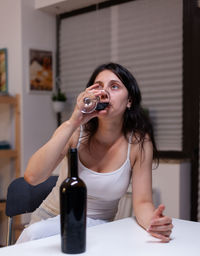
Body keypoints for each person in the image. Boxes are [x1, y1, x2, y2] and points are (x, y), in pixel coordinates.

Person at [17, 62, 173, 243]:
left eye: (114, 87)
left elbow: (142, 202)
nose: (104, 93)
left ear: (129, 100)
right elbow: (33, 176)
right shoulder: (76, 131)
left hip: (98, 231)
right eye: (98, 87)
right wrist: (73, 122)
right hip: (48, 222)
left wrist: (153, 223)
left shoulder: (139, 143)